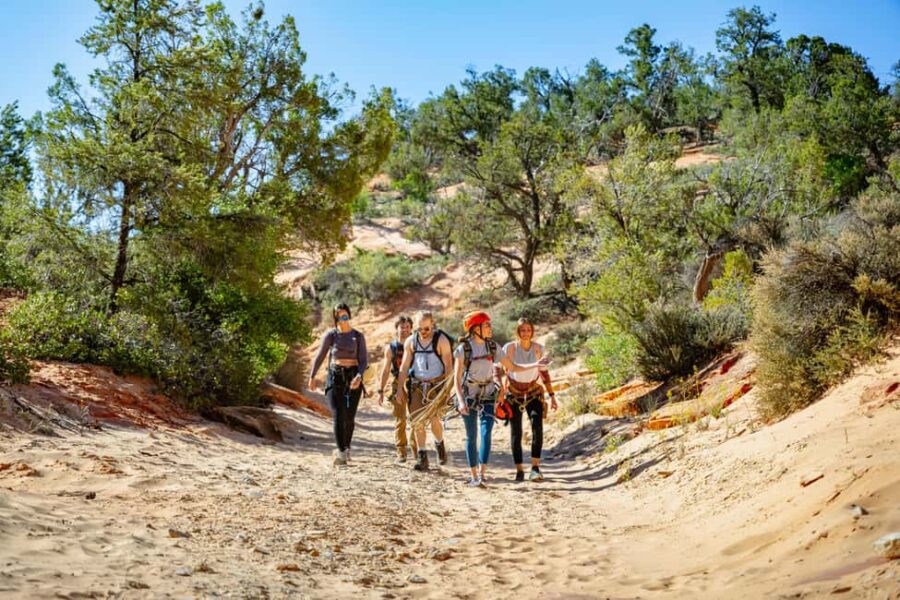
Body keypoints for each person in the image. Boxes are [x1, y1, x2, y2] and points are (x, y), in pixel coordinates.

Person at [453, 311, 551, 487]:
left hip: (488, 394)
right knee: (471, 435)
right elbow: (457, 379)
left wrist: (536, 364)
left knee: (486, 433)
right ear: (476, 329)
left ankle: (482, 474)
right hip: (469, 395)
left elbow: (513, 367)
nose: (490, 328)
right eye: (486, 325)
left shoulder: (493, 347)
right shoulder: (463, 349)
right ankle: (474, 475)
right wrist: (460, 401)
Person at [308, 303, 368, 466]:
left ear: (349, 315)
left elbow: (363, 361)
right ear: (335, 319)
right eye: (339, 316)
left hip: (353, 377)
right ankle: (341, 452)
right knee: (338, 414)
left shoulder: (358, 336)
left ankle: (347, 447)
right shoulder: (331, 335)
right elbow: (320, 356)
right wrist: (312, 375)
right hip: (335, 376)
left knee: (349, 417)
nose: (343, 319)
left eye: (345, 315)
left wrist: (359, 376)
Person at [396, 310, 453, 471]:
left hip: (436, 386)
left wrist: (448, 390)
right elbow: (404, 366)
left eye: (426, 329)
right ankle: (422, 457)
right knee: (417, 422)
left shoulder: (441, 340)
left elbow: (449, 366)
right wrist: (399, 389)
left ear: (432, 324)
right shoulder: (411, 342)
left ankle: (440, 445)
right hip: (417, 386)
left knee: (434, 420)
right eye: (419, 329)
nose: (423, 332)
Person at [501, 318, 557, 482]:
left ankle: (535, 468)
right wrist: (500, 391)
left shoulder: (539, 349)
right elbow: (499, 370)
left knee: (537, 428)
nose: (525, 333)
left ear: (532, 331)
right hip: (513, 394)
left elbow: (544, 373)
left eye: (528, 330)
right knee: (516, 432)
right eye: (522, 330)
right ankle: (519, 470)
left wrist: (552, 396)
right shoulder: (509, 348)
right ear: (518, 332)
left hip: (534, 392)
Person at [377, 315, 416, 462]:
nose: (404, 330)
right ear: (396, 329)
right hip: (397, 383)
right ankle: (401, 450)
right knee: (400, 418)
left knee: (416, 418)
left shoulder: (416, 345)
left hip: (415, 383)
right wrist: (380, 390)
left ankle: (416, 449)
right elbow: (386, 370)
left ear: (411, 329)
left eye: (407, 327)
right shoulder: (391, 348)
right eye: (402, 327)